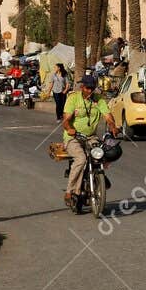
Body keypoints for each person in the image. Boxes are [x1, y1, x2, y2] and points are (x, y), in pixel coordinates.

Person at [62, 74, 118, 209]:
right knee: (81, 159)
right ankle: (70, 191)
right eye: (87, 88)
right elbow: (65, 120)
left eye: (92, 88)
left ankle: (100, 177)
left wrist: (113, 127)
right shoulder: (73, 98)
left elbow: (108, 116)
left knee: (104, 153)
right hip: (73, 138)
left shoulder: (99, 100)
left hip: (91, 137)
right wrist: (69, 129)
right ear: (82, 87)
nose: (90, 91)